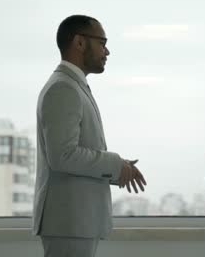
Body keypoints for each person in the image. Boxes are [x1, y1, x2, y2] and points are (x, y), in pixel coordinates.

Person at [32, 15, 147, 257]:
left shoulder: (72, 85)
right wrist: (115, 164)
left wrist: (120, 167)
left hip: (75, 223)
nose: (107, 51)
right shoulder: (63, 88)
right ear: (80, 43)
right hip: (68, 223)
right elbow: (62, 155)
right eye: (102, 42)